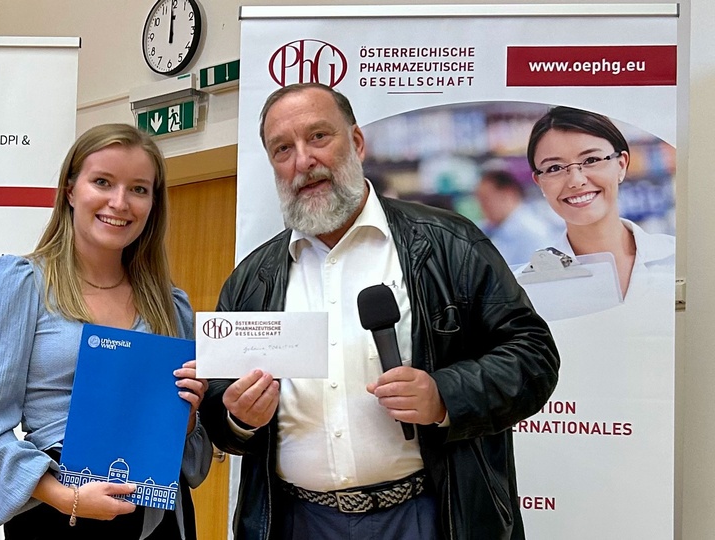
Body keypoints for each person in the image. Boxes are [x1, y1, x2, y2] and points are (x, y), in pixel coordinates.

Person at [200, 83, 560, 540]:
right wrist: (237, 418)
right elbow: (218, 407)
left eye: (318, 137)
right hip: (296, 521)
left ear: (356, 143)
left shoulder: (448, 242)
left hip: (429, 514)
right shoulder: (252, 279)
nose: (302, 161)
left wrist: (443, 394)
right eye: (282, 149)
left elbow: (533, 355)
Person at [0, 124, 212, 539]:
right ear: (71, 190)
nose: (120, 202)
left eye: (139, 189)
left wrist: (186, 414)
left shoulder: (170, 304)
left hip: (159, 517)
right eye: (103, 182)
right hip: (61, 514)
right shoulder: (20, 284)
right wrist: (64, 497)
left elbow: (190, 454)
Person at [527, 106, 675, 298]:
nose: (576, 181)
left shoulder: (675, 257)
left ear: (621, 165)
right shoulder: (527, 288)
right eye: (554, 168)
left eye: (591, 160)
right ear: (539, 182)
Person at [474, 169, 553, 265]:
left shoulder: (531, 233)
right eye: (479, 200)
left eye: (486, 199)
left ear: (508, 194)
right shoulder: (485, 228)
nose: (482, 206)